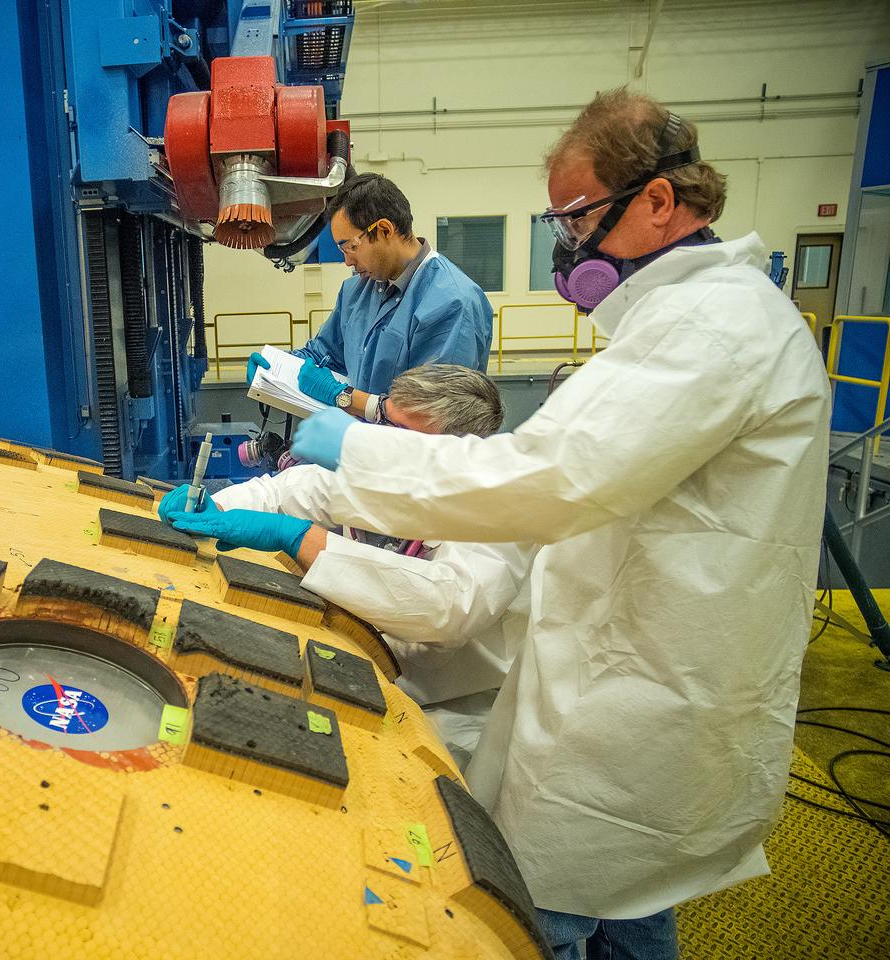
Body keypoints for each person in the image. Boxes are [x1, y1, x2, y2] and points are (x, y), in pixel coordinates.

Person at [287, 88, 831, 959]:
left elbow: (550, 477)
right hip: (631, 669)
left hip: (645, 687)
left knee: (554, 901)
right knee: (632, 895)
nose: (568, 245)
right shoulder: (686, 320)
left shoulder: (713, 326)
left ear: (659, 201)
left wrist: (361, 449)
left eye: (577, 218)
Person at [162, 365, 536, 767]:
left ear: (449, 455)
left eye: (402, 435)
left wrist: (301, 539)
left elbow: (447, 607)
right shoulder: (379, 471)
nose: (379, 440)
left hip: (444, 704)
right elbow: (289, 491)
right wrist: (216, 506)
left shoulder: (502, 511)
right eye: (384, 422)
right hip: (354, 662)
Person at [246, 173, 493, 424]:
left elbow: (434, 418)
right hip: (363, 442)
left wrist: (342, 396)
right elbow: (323, 353)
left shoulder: (453, 303)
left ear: (384, 230)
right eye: (342, 250)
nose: (347, 261)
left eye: (351, 247)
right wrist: (275, 367)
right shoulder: (356, 291)